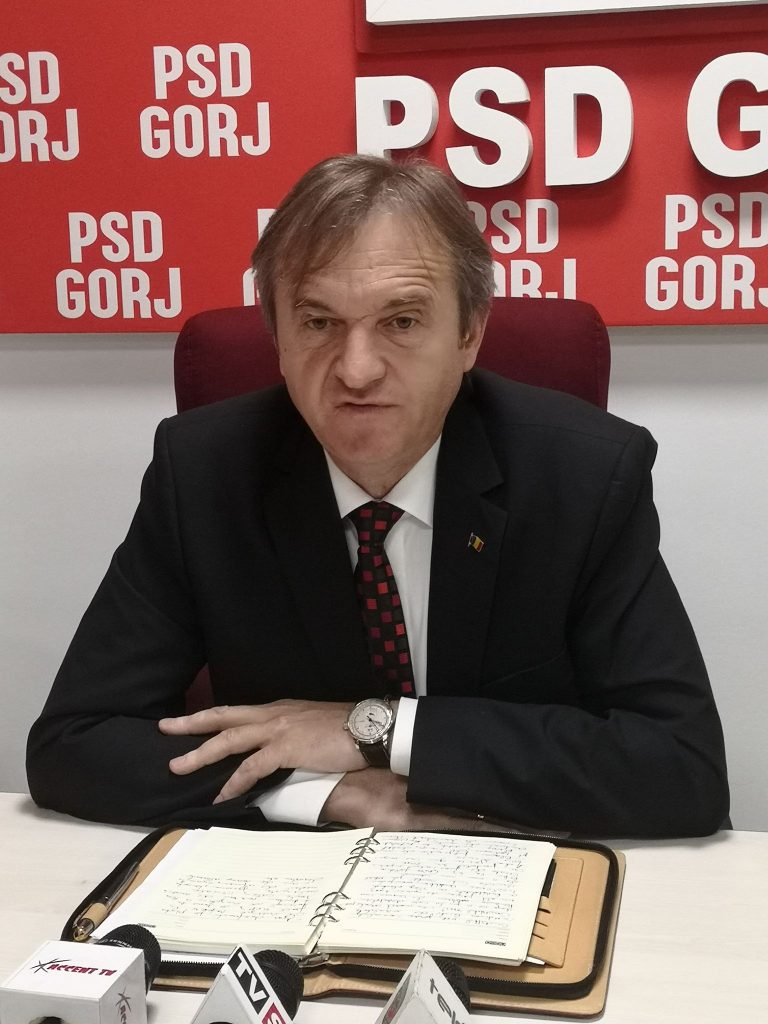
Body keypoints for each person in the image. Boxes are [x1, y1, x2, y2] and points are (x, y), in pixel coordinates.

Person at [27, 155, 728, 837]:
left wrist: (378, 730)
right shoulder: (204, 475)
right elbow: (73, 743)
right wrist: (330, 792)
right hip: (293, 881)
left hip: (514, 865)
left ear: (469, 334)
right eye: (318, 323)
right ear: (277, 338)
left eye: (402, 321)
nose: (357, 371)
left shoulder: (585, 476)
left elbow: (681, 768)